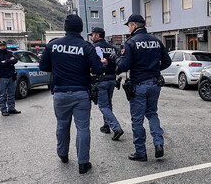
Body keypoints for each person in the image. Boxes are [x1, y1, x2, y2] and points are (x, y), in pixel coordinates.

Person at [40, 14, 105, 174]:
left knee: (62, 125)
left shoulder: (53, 45)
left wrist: (58, 68)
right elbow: (97, 69)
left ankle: (63, 154)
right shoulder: (86, 46)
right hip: (81, 92)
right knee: (83, 128)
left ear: (65, 28)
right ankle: (83, 163)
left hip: (60, 92)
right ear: (81, 29)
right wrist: (103, 64)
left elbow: (43, 66)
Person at [116, 14, 172, 162]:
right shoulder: (156, 41)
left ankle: (141, 152)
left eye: (129, 26)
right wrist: (155, 69)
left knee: (137, 119)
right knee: (152, 113)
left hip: (139, 85)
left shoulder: (131, 42)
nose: (128, 29)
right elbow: (167, 61)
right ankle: (158, 143)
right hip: (155, 83)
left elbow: (124, 65)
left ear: (134, 25)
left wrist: (116, 61)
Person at [89, 26, 124, 141]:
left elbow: (93, 64)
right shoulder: (112, 48)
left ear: (97, 35)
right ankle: (106, 125)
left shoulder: (94, 48)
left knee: (103, 106)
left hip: (101, 80)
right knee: (108, 103)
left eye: (92, 35)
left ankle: (116, 128)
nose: (91, 37)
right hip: (112, 79)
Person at [0, 41, 20, 117]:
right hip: (2, 76)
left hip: (11, 75)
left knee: (11, 94)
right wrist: (10, 62)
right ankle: (3, 110)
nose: (3, 46)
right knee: (2, 95)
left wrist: (5, 61)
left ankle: (11, 108)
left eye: (4, 45)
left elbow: (15, 60)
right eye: (1, 45)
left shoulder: (10, 53)